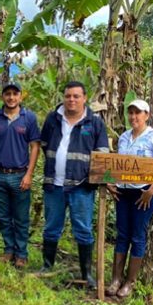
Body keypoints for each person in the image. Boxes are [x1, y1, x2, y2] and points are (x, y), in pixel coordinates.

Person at [39, 81, 109, 289]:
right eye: (68, 96)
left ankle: (86, 273)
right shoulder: (53, 119)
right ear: (64, 97)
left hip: (81, 186)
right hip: (54, 185)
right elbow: (44, 145)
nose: (71, 100)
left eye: (76, 96)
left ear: (84, 98)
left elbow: (103, 154)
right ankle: (47, 265)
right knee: (51, 227)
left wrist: (90, 178)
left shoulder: (94, 124)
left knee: (83, 229)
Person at [106, 99, 153, 298]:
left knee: (137, 235)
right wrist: (110, 182)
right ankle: (116, 279)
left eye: (138, 113)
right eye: (131, 113)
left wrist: (151, 190)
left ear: (146, 115)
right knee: (122, 234)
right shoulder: (124, 138)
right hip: (123, 193)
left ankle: (129, 282)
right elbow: (116, 165)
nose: (134, 117)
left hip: (144, 193)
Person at [0, 83, 41, 268]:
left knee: (21, 217)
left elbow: (35, 146)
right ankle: (9, 250)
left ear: (20, 97)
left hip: (19, 175)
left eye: (15, 94)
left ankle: (21, 254)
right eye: (7, 94)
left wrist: (29, 174)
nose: (11, 97)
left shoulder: (29, 118)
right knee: (3, 216)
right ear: (2, 97)